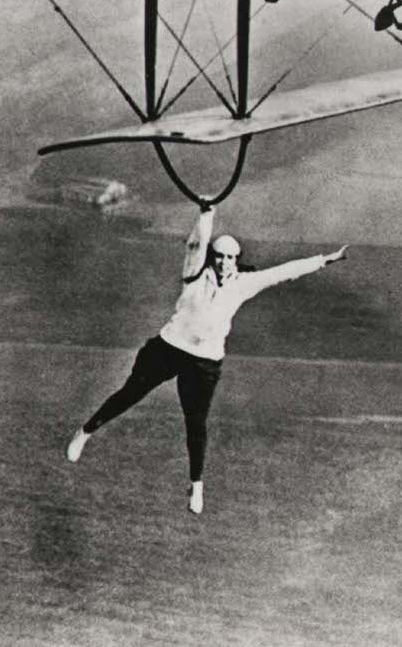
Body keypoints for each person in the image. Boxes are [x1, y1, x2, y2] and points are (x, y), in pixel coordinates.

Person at [65, 205, 347, 514]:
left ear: (236, 260)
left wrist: (325, 260)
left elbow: (283, 272)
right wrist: (206, 216)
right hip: (170, 346)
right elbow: (195, 245)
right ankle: (85, 433)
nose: (225, 262)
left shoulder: (243, 284)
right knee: (130, 394)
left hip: (205, 361)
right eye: (220, 256)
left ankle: (196, 485)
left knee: (196, 423)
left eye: (230, 257)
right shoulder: (194, 274)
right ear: (212, 257)